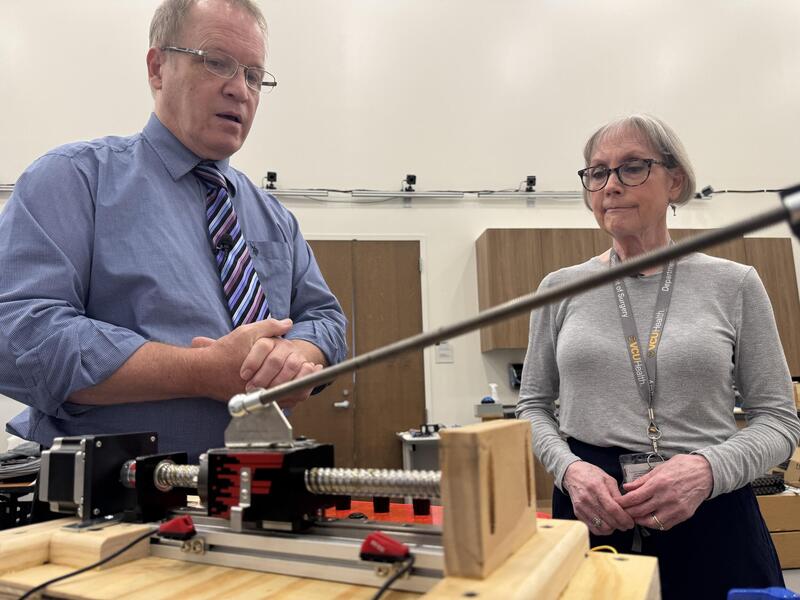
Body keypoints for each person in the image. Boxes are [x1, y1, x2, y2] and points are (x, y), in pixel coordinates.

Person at [0, 0, 347, 461]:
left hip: (254, 487)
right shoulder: (74, 180)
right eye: (217, 63)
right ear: (158, 66)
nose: (239, 90)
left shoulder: (273, 217)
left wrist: (300, 355)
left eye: (253, 76)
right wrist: (199, 371)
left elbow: (327, 320)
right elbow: (19, 334)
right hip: (110, 505)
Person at [516, 114, 800, 599]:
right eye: (597, 172)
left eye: (631, 167)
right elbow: (534, 407)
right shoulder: (560, 289)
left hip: (710, 503)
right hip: (593, 509)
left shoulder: (734, 284)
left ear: (675, 181)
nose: (610, 185)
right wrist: (569, 471)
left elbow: (779, 421)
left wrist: (707, 471)